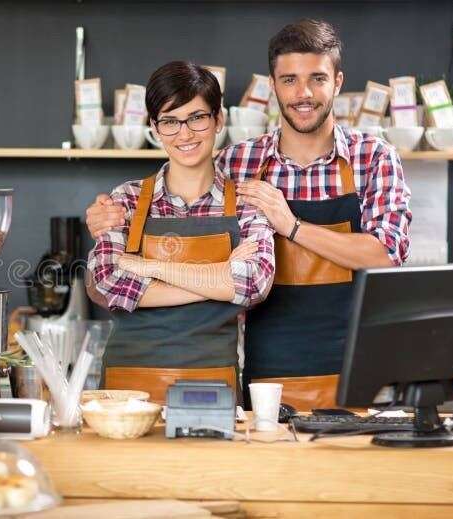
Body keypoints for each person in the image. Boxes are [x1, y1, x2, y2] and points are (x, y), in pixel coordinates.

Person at [85, 20, 412, 410]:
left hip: (360, 363)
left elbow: (387, 255)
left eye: (317, 78)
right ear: (273, 85)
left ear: (337, 82)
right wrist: (104, 219)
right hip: (267, 372)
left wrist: (291, 226)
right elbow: (108, 277)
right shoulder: (237, 163)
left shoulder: (373, 157)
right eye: (289, 80)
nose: (303, 93)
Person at [87, 61, 275, 403]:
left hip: (212, 387)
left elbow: (253, 284)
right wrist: (220, 277)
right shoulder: (126, 200)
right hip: (126, 389)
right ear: (155, 128)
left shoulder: (246, 203)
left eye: (197, 117)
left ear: (218, 120)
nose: (184, 134)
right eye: (170, 121)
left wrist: (149, 267)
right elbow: (107, 281)